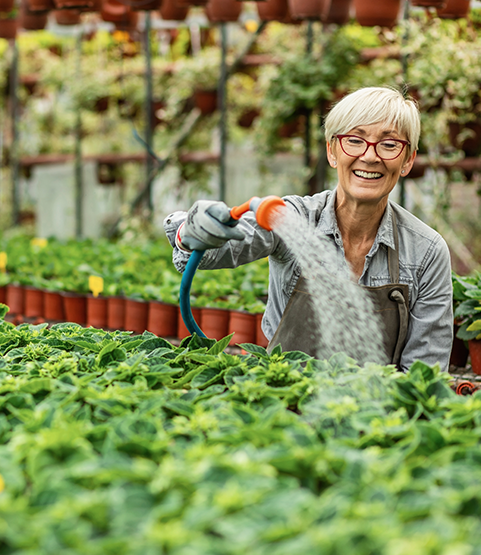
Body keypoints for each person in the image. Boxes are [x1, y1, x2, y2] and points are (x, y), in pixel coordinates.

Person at [163, 86, 453, 371]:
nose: (370, 156)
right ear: (332, 151)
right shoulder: (292, 218)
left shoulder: (426, 251)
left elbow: (424, 375)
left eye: (389, 145)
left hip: (375, 411)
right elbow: (213, 252)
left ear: (408, 161)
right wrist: (190, 233)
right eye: (354, 140)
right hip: (284, 397)